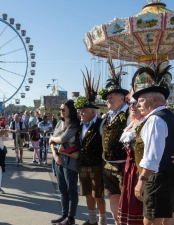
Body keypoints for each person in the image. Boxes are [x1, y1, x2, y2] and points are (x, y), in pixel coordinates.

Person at [131, 63, 174, 225]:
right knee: (167, 217)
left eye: (141, 100)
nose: (138, 104)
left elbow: (153, 155)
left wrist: (142, 180)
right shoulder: (171, 116)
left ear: (154, 100)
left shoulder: (155, 119)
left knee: (150, 220)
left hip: (161, 176)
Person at [75, 72, 107, 225]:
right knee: (88, 194)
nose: (80, 113)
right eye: (79, 110)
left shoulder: (101, 124)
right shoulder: (80, 126)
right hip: (83, 166)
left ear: (92, 112)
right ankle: (92, 220)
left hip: (96, 166)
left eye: (83, 110)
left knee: (98, 195)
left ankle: (102, 221)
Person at [100, 59, 129, 224]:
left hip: (123, 164)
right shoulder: (109, 116)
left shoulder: (130, 114)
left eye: (111, 97)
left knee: (127, 198)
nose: (107, 100)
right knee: (113, 195)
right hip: (108, 164)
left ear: (121, 97)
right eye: (107, 98)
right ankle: (117, 223)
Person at [49, 99, 80, 225]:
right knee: (62, 189)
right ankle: (64, 215)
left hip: (70, 159)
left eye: (63, 109)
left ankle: (71, 218)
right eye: (60, 109)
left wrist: (53, 139)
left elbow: (63, 138)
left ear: (70, 111)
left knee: (71, 189)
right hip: (58, 158)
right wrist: (55, 154)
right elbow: (52, 142)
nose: (61, 111)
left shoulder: (74, 124)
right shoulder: (59, 124)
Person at [117, 97, 144, 225]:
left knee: (139, 204)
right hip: (129, 168)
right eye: (130, 103)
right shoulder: (131, 123)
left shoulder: (146, 123)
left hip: (140, 169)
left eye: (135, 103)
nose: (132, 106)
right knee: (129, 200)